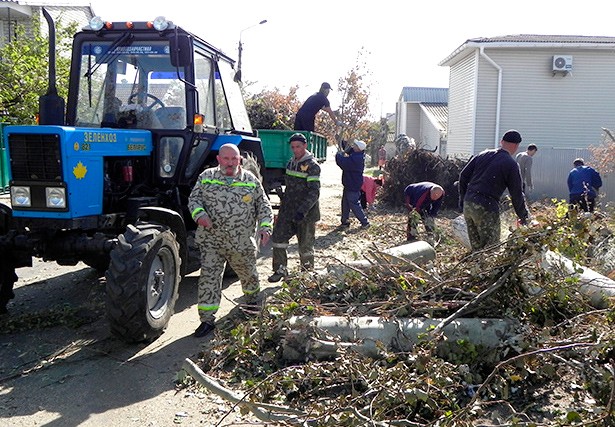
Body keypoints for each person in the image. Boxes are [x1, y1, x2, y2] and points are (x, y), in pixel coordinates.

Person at [188, 144, 273, 337]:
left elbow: (264, 206)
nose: (230, 163)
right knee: (209, 279)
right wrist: (199, 214)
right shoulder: (207, 177)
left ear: (239, 160)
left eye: (234, 159)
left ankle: (252, 304)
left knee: (248, 275)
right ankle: (207, 320)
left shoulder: (250, 181)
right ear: (219, 159)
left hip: (241, 243)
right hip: (212, 242)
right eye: (226, 159)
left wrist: (266, 227)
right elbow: (194, 200)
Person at [458, 130, 530, 251]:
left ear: (501, 142)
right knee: (491, 250)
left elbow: (463, 176)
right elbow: (516, 194)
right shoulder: (511, 164)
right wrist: (524, 217)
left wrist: (462, 199)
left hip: (469, 204)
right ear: (516, 146)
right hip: (486, 207)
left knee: (477, 249)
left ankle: (477, 268)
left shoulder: (483, 154)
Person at [268, 133, 321, 283]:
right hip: (287, 210)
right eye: (293, 147)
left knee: (305, 246)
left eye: (298, 146)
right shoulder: (291, 162)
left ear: (305, 146)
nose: (295, 150)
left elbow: (314, 192)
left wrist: (302, 211)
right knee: (278, 239)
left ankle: (306, 275)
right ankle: (280, 270)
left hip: (305, 214)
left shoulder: (312, 166)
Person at [335, 140, 370, 229]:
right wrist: (342, 141)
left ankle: (365, 222)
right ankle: (345, 221)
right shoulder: (357, 154)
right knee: (345, 203)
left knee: (354, 204)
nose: (353, 146)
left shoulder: (357, 159)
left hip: (353, 184)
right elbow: (349, 149)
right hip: (350, 183)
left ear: (358, 148)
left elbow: (343, 163)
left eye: (355, 145)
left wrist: (338, 155)